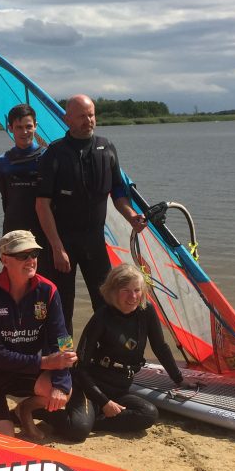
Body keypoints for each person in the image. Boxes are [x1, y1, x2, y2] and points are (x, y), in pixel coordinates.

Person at [35, 94, 146, 334]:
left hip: (95, 242)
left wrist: (131, 217)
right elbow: (42, 205)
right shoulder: (54, 153)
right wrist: (56, 247)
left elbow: (118, 192)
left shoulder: (106, 148)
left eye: (91, 115)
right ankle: (64, 352)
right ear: (67, 119)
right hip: (62, 243)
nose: (88, 121)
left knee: (107, 302)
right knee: (61, 305)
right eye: (82, 116)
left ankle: (105, 350)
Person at [0, 230, 76, 440]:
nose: (31, 260)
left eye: (34, 254)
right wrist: (45, 362)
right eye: (23, 255)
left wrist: (61, 381)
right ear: (4, 260)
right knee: (3, 439)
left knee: (63, 391)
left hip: (23, 368)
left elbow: (63, 339)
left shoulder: (48, 290)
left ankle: (24, 410)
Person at [53, 264, 184, 442]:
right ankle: (41, 413)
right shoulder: (102, 317)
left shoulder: (146, 311)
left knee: (148, 414)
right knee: (78, 431)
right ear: (113, 292)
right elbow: (79, 367)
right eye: (126, 291)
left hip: (120, 389)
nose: (133, 297)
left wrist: (179, 379)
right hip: (90, 388)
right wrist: (104, 402)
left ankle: (90, 421)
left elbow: (160, 347)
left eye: (137, 290)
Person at [0, 104, 45, 237]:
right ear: (10, 128)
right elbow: (6, 199)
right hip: (14, 229)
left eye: (29, 126)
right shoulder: (1, 162)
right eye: (19, 127)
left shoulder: (48, 157)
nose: (24, 132)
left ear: (35, 126)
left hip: (43, 229)